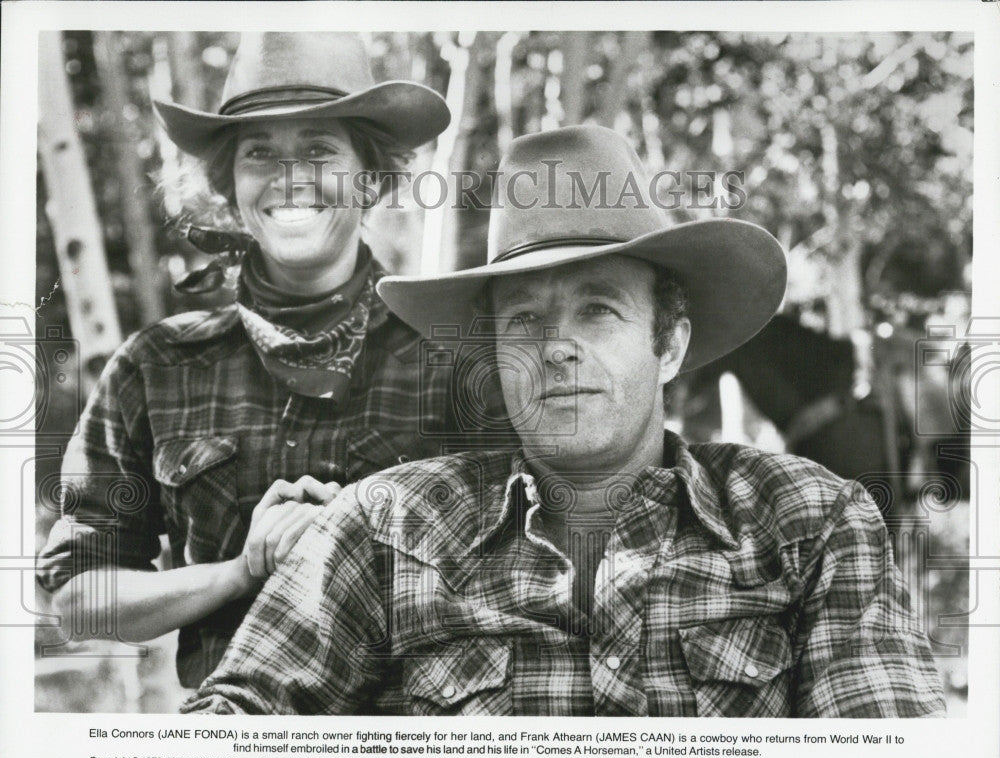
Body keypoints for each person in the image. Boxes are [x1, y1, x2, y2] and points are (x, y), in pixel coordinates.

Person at [183, 126, 945, 716]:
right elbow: (230, 726)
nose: (557, 349)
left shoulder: (809, 523)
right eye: (523, 321)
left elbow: (890, 749)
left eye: (598, 310)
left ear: (670, 343)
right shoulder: (385, 528)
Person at [35, 32, 481, 689]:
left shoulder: (459, 365)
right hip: (230, 751)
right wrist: (240, 571)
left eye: (319, 148)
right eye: (260, 152)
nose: (289, 176)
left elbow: (532, 576)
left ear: (372, 176)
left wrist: (355, 540)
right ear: (231, 183)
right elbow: (79, 601)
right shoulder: (154, 366)